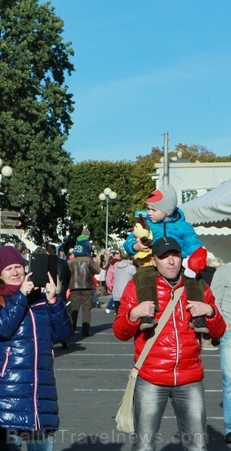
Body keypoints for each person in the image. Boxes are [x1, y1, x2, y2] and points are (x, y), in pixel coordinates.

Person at [113, 237, 225, 451]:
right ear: (154, 261)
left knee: (197, 447)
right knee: (144, 446)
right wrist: (133, 314)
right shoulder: (138, 285)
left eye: (174, 255)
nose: (171, 261)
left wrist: (210, 312)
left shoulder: (197, 284)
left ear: (181, 257)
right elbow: (120, 332)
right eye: (164, 257)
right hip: (151, 377)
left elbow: (218, 331)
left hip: (189, 377)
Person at [0, 245, 72, 450]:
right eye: (8, 269)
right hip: (8, 392)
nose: (15, 272)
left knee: (41, 446)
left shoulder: (39, 298)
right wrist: (21, 297)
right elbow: (1, 328)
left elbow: (62, 334)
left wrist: (53, 301)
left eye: (18, 266)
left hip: (40, 392)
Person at [123, 184, 208, 333]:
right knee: (144, 278)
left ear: (167, 211)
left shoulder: (183, 227)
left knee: (195, 281)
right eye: (148, 209)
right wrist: (135, 247)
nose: (149, 213)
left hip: (178, 263)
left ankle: (198, 316)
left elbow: (193, 244)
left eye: (153, 210)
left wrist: (196, 257)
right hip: (151, 261)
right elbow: (130, 240)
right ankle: (147, 315)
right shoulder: (145, 225)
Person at [210, 263, 231, 443]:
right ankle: (230, 428)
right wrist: (224, 325)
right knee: (230, 382)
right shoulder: (224, 271)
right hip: (230, 334)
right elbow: (213, 300)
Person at [67, 238, 100, 336]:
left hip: (74, 287)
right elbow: (97, 270)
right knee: (86, 310)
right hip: (87, 286)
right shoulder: (88, 260)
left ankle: (72, 329)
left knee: (74, 309)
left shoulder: (70, 262)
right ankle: (85, 330)